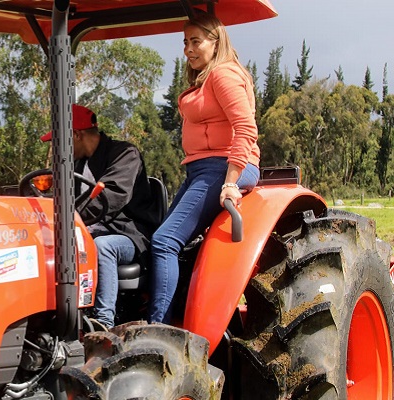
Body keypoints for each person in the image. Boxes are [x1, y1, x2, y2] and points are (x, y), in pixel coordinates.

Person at [148, 12, 261, 324]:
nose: (188, 49)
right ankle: (181, 317)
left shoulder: (223, 75)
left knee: (164, 241)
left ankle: (159, 329)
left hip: (224, 167)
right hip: (201, 169)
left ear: (216, 42)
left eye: (195, 41)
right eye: (185, 42)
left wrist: (230, 181)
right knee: (160, 240)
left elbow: (246, 128)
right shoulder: (206, 79)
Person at [42, 104, 161, 328]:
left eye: (57, 142)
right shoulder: (75, 165)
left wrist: (70, 222)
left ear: (76, 135)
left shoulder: (125, 154)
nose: (56, 149)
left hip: (128, 234)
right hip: (89, 232)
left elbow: (111, 196)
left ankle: (102, 322)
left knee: (102, 246)